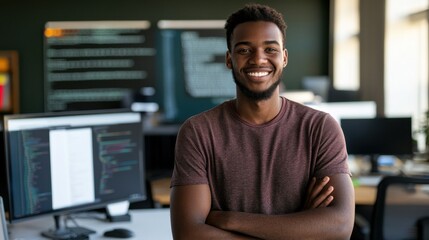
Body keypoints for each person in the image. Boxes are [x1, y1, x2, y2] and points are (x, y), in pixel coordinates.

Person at [170, 3, 355, 239]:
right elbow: (188, 234)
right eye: (244, 50)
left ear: (284, 58)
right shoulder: (198, 132)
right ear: (229, 59)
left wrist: (230, 219)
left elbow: (339, 227)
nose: (258, 59)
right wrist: (300, 228)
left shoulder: (319, 128)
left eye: (270, 49)